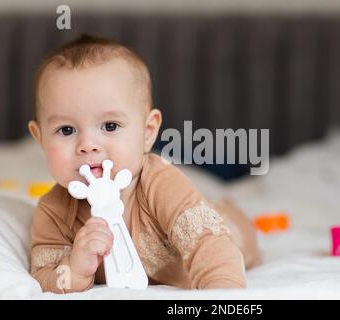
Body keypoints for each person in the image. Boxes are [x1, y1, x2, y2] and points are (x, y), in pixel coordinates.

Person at [28, 34, 261, 293]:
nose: (87, 144)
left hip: (225, 234)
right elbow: (44, 277)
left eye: (110, 126)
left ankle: (228, 209)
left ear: (148, 132)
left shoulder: (159, 182)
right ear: (40, 138)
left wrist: (221, 292)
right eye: (66, 130)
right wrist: (73, 269)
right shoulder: (53, 211)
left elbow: (209, 245)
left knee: (233, 235)